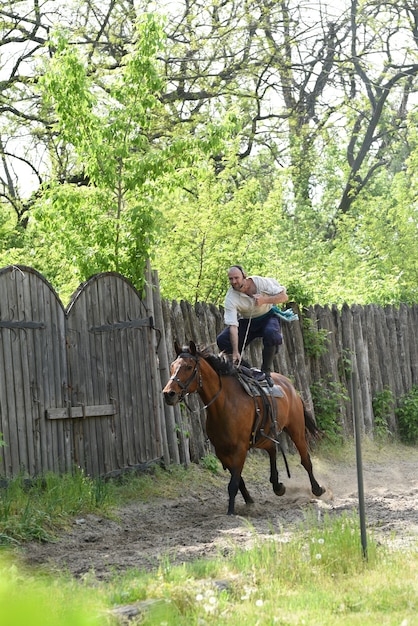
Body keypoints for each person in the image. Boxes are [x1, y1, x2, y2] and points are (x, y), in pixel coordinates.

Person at [216, 265, 289, 386]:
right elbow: (233, 326)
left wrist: (264, 300)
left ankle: (266, 372)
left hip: (268, 316)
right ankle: (248, 371)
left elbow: (284, 297)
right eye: (230, 279)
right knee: (222, 340)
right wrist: (235, 351)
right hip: (248, 320)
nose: (233, 281)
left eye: (236, 278)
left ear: (244, 276)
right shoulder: (230, 298)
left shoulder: (259, 282)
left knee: (271, 333)